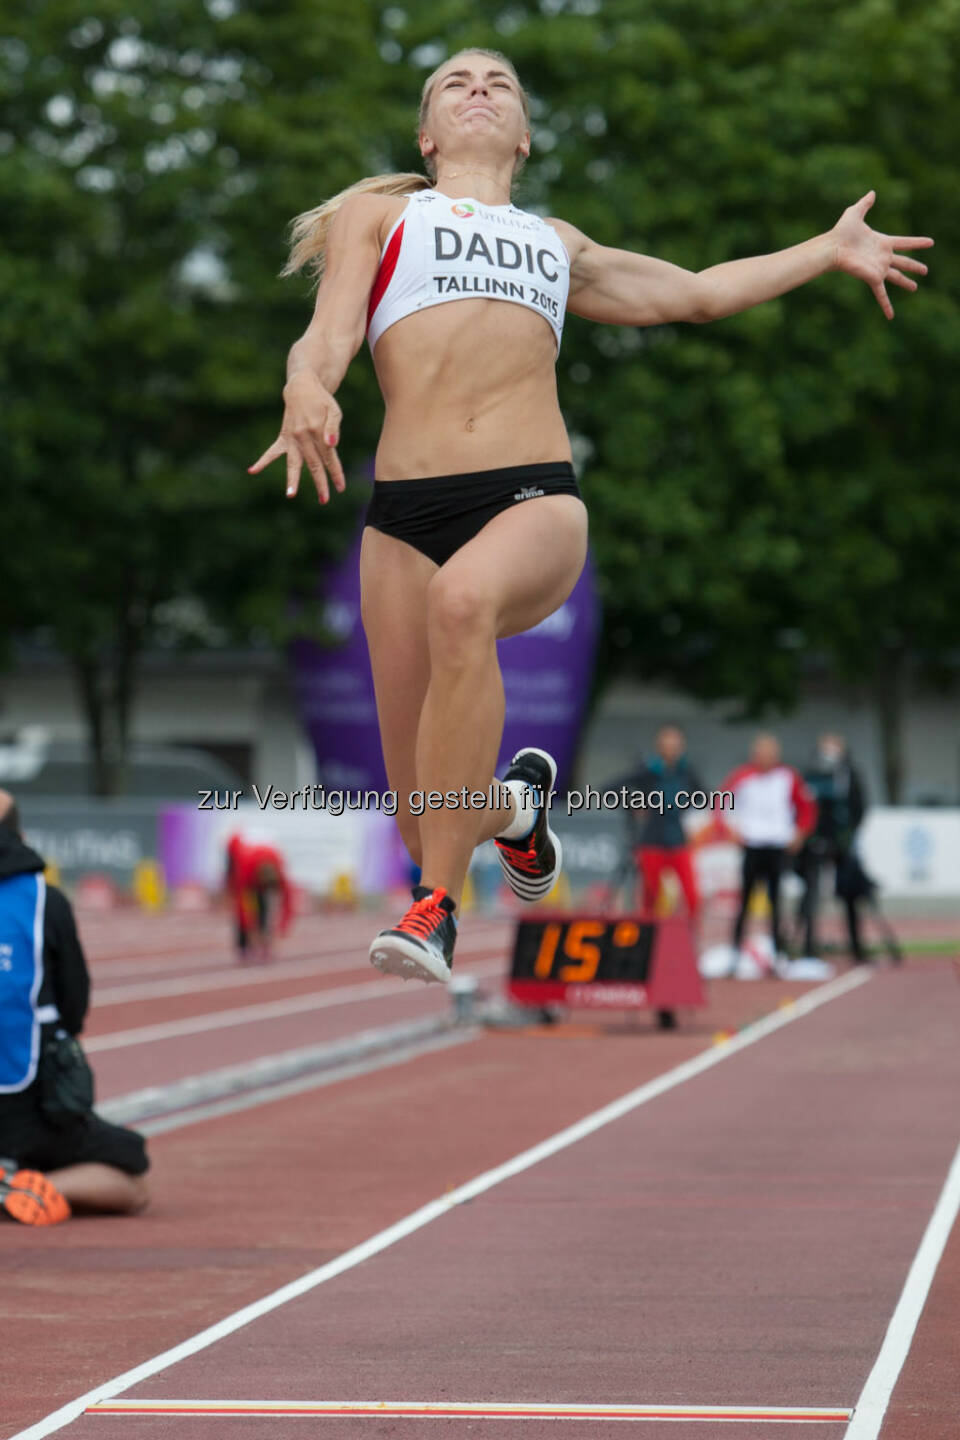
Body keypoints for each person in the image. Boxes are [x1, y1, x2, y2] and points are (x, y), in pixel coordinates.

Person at [248, 46, 932, 985]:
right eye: (455, 82)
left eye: (499, 83)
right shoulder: (384, 217)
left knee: (463, 608)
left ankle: (437, 907)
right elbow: (325, 339)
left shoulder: (557, 245)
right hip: (403, 515)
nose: (478, 89)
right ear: (426, 132)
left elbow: (694, 294)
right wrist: (303, 388)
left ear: (524, 135)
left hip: (531, 497)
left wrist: (828, 249)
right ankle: (518, 808)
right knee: (426, 811)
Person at [0, 791, 149, 1225]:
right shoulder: (45, 901)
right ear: (22, 837)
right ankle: (18, 1183)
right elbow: (73, 1005)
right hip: (27, 1109)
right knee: (132, 1173)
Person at [723, 735, 817, 967]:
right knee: (744, 901)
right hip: (752, 845)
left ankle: (777, 952)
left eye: (770, 752)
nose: (765, 757)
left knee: (776, 902)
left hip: (777, 846)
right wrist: (730, 830)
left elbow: (807, 807)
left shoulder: (788, 777)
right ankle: (735, 951)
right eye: (761, 752)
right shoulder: (742, 776)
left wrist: (800, 832)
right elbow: (722, 803)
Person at [618, 725, 704, 920]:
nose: (671, 748)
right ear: (659, 746)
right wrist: (634, 803)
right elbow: (612, 788)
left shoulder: (687, 773)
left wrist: (692, 816)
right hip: (652, 841)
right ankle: (650, 940)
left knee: (692, 897)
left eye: (675, 744)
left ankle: (687, 938)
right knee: (650, 898)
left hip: (678, 840)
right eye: (667, 743)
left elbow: (703, 798)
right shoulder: (647, 772)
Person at [797, 731, 869, 962]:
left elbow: (859, 806)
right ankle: (808, 946)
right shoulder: (809, 774)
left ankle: (856, 947)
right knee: (811, 893)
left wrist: (848, 834)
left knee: (850, 893)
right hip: (816, 841)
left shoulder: (850, 774)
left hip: (843, 841)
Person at [225, 833, 294, 964]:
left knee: (263, 908)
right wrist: (249, 927)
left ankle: (264, 942)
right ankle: (243, 947)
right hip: (246, 875)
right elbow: (241, 901)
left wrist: (282, 928)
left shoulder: (279, 870)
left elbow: (289, 902)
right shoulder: (245, 867)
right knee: (247, 911)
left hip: (262, 864)